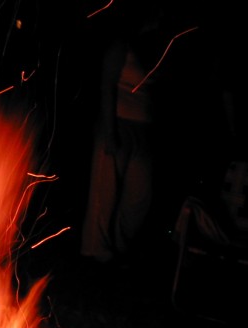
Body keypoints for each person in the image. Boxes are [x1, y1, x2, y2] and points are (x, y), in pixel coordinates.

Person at [80, 6, 165, 266]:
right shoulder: (121, 45)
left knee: (140, 196)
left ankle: (119, 244)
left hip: (144, 129)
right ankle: (97, 250)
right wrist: (110, 131)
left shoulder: (156, 49)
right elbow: (106, 87)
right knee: (106, 190)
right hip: (117, 123)